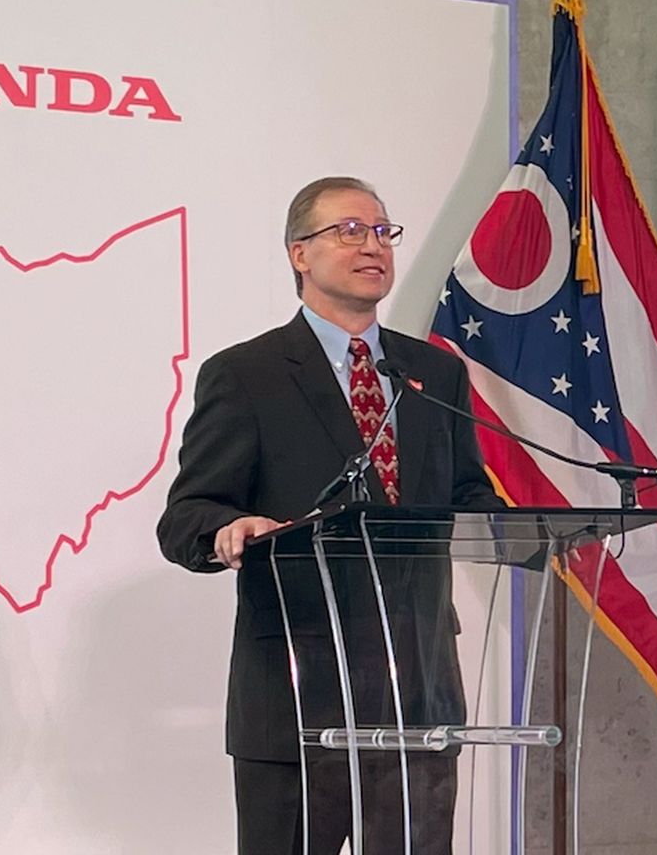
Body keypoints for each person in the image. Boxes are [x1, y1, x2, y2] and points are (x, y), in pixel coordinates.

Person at [156, 176, 501, 855]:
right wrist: (227, 531)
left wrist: (543, 534)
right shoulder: (247, 374)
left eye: (381, 231)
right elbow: (186, 516)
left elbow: (468, 499)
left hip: (416, 691)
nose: (372, 245)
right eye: (349, 230)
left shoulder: (433, 373)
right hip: (295, 690)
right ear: (299, 253)